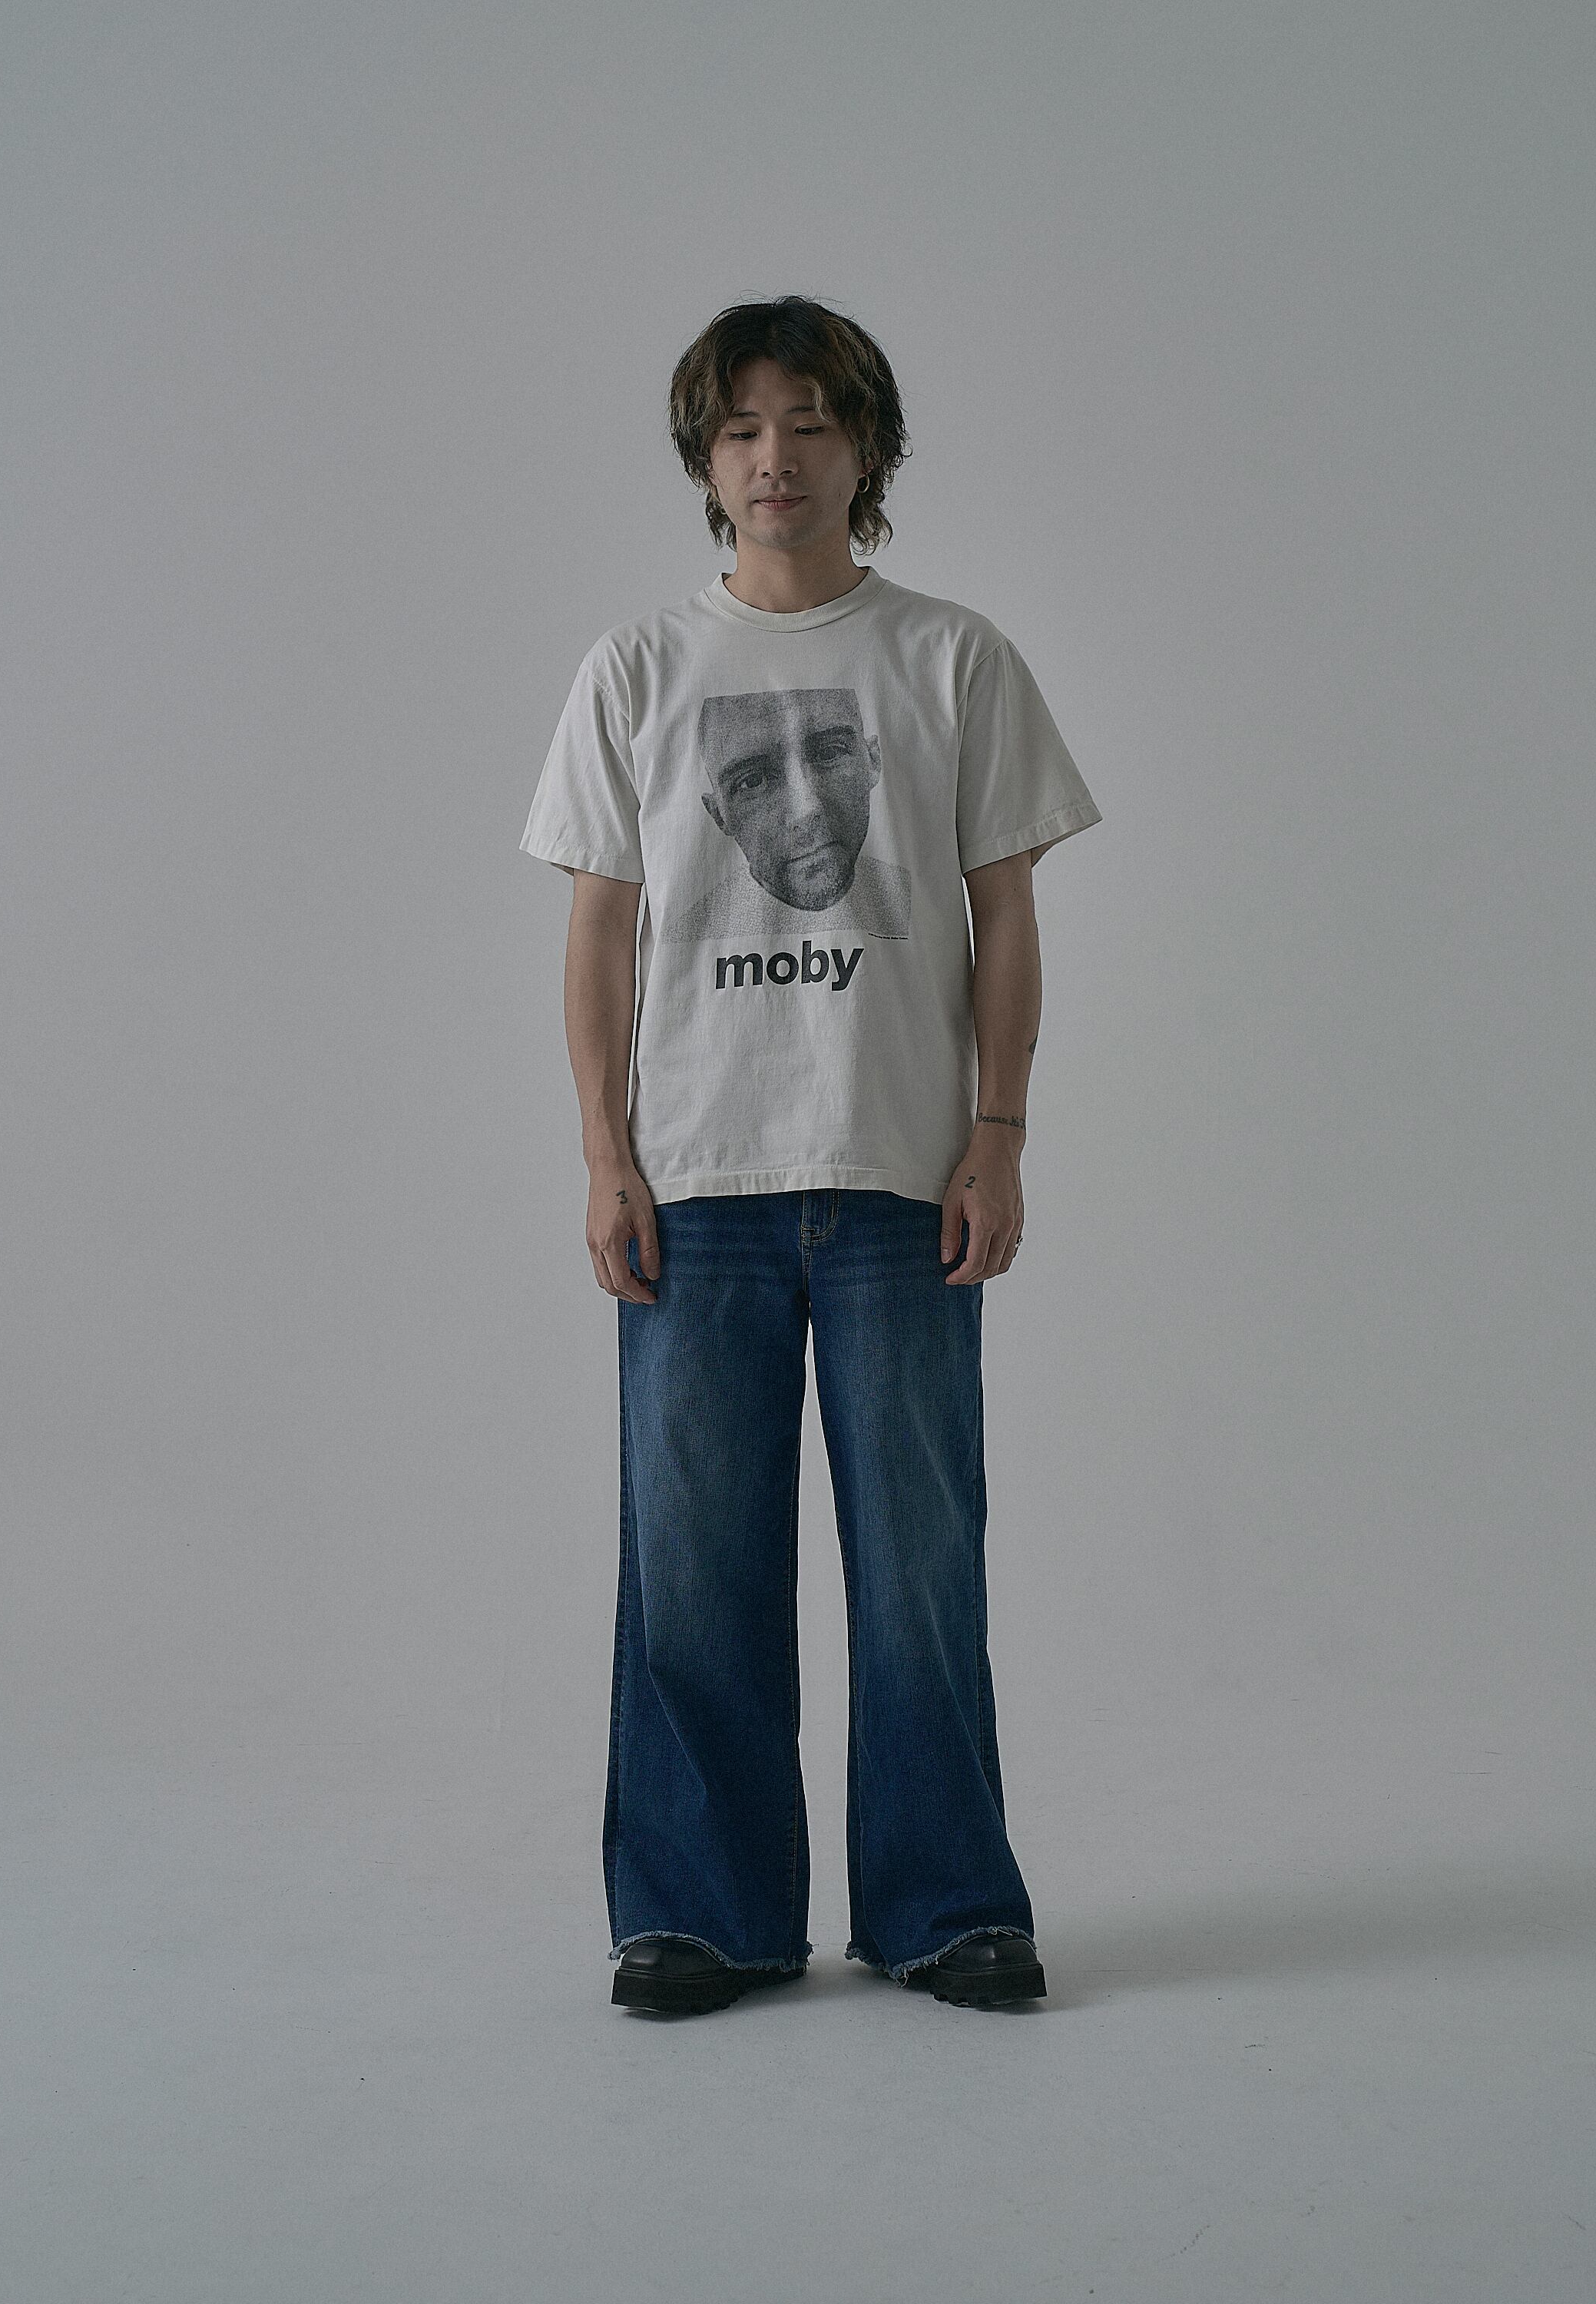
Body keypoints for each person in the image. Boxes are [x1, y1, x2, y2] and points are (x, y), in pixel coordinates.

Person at [518, 295, 1102, 2016]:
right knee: (691, 1562)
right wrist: (604, 1154)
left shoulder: (952, 658)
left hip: (901, 1181)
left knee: (920, 1562)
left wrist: (998, 1132)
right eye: (742, 428)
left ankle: (945, 1907)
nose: (776, 456)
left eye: (811, 422)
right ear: (706, 461)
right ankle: (703, 1914)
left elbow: (1006, 916)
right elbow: (600, 937)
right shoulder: (637, 669)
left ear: (868, 447)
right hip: (695, 1186)